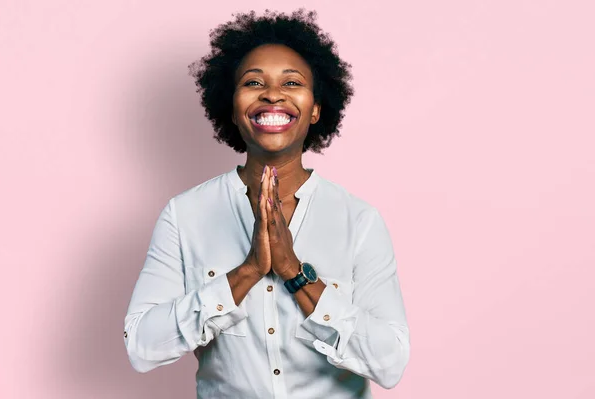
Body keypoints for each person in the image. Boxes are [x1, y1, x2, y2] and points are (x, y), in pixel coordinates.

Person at [123, 9, 410, 398]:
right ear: (232, 105)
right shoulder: (184, 216)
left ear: (316, 109)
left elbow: (390, 363)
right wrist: (247, 273)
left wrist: (296, 273)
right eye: (253, 82)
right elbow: (141, 346)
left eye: (292, 82)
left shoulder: (358, 221)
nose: (273, 94)